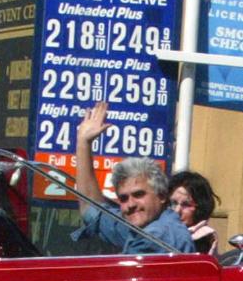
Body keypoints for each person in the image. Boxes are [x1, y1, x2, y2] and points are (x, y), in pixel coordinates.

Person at [72, 101, 192, 254]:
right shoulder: (142, 227)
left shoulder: (157, 237)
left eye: (139, 194)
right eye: (123, 198)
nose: (130, 205)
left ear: (162, 195)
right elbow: (92, 210)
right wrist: (83, 142)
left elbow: (123, 276)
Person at [167, 169, 218, 253]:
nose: (177, 211)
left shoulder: (202, 238)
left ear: (200, 208)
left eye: (186, 205)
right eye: (173, 203)